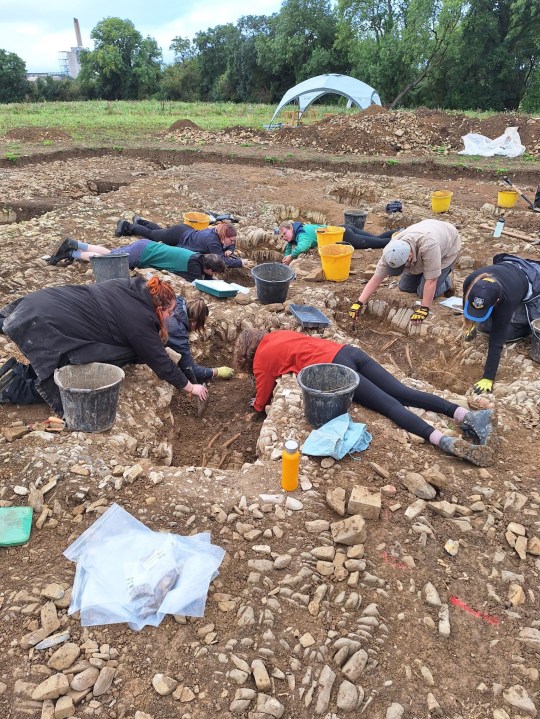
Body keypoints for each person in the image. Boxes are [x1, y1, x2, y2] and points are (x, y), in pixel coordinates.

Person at [234, 329, 494, 466]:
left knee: (390, 407)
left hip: (338, 372)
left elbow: (262, 396)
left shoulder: (260, 361)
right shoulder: (277, 335)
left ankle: (444, 441)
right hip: (348, 352)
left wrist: (256, 407)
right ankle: (466, 415)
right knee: (402, 392)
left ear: (247, 355)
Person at [0, 276, 209, 415]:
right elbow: (160, 362)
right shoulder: (140, 319)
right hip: (49, 322)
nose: (171, 317)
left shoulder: (131, 288)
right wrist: (190, 386)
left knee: (64, 362)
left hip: (45, 304)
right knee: (68, 380)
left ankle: (17, 373)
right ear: (159, 306)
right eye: (169, 312)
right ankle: (13, 388)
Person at [349, 219, 461, 325]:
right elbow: (377, 277)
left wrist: (424, 309)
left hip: (447, 247)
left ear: (410, 256)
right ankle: (426, 273)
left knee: (423, 293)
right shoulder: (391, 250)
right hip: (427, 234)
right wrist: (359, 302)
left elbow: (431, 280)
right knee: (405, 287)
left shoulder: (429, 246)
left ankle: (447, 282)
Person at [462, 253, 540, 394]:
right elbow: (466, 305)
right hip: (507, 271)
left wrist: (488, 377)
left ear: (497, 301)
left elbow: (497, 340)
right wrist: (470, 326)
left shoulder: (507, 301)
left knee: (506, 333)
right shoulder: (471, 281)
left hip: (529, 283)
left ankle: (523, 329)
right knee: (483, 325)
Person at [47, 237, 226, 282]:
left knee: (111, 252)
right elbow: (198, 282)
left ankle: (75, 245)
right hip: (142, 255)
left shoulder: (197, 256)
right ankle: (71, 253)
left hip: (146, 245)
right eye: (213, 272)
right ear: (209, 269)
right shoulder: (194, 266)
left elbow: (206, 276)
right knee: (108, 259)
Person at [115, 216, 251, 270]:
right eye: (231, 241)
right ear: (224, 236)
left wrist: (231, 249)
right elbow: (222, 261)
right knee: (153, 236)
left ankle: (140, 221)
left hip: (184, 231)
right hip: (179, 236)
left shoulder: (219, 232)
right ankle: (126, 225)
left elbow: (229, 245)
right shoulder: (213, 241)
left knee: (160, 232)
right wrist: (240, 263)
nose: (232, 243)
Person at [166, 297, 234, 383]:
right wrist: (217, 371)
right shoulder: (178, 331)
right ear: (194, 321)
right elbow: (190, 371)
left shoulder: (177, 302)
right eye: (201, 324)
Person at [278, 221, 394, 265]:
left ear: (291, 228)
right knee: (377, 239)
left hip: (345, 237)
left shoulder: (302, 233)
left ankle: (401, 238)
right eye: (282, 236)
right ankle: (400, 232)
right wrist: (285, 259)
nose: (284, 237)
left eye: (284, 233)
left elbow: (303, 246)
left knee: (380, 243)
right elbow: (289, 246)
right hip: (343, 228)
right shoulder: (298, 231)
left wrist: (291, 256)